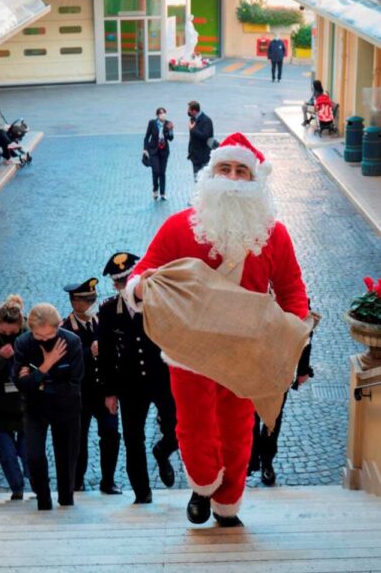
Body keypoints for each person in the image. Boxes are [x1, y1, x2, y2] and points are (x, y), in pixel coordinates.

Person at [127, 132, 309, 527]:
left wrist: (292, 334)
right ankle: (203, 485)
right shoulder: (179, 227)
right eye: (224, 168)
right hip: (190, 349)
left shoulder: (274, 235)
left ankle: (228, 502)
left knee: (238, 429)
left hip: (246, 351)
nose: (231, 176)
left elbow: (293, 289)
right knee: (194, 425)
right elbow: (143, 271)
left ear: (255, 181)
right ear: (210, 175)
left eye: (241, 170)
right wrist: (140, 288)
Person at [98, 252, 178, 505]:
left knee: (177, 429)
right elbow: (107, 354)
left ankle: (163, 451)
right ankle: (142, 493)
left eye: (129, 279)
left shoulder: (160, 303)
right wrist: (109, 391)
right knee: (133, 439)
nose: (125, 286)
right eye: (120, 282)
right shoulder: (109, 310)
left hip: (162, 378)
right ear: (115, 285)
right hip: (130, 384)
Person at [13, 303, 83, 510]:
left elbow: (74, 384)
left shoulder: (72, 342)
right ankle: (43, 500)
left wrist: (39, 383)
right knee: (34, 455)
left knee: (67, 457)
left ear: (59, 325)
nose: (44, 340)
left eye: (49, 335)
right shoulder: (23, 343)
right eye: (39, 337)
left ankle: (66, 499)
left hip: (66, 408)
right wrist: (46, 365)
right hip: (35, 408)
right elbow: (20, 384)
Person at [61, 278, 121, 495]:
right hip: (79, 395)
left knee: (111, 433)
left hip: (104, 392)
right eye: (87, 301)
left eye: (93, 299)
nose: (92, 304)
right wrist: (89, 352)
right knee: (78, 438)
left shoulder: (103, 321)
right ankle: (77, 480)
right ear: (75, 303)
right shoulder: (66, 328)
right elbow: (64, 364)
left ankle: (109, 480)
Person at [248, 324, 315, 486]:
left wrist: (302, 369)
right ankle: (251, 458)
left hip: (281, 364)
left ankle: (266, 460)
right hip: (249, 361)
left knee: (274, 415)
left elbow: (304, 326)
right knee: (250, 413)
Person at [0, 295, 29, 500]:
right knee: (7, 451)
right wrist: (0, 357)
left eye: (13, 332)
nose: (9, 335)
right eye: (4, 332)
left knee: (26, 449)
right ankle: (17, 489)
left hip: (26, 404)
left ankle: (37, 482)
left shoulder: (30, 333)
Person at [143, 107, 174, 201]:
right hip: (153, 150)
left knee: (162, 172)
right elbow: (147, 137)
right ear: (157, 115)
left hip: (164, 151)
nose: (163, 115)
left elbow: (171, 138)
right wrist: (145, 149)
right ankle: (155, 189)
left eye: (164, 113)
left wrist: (170, 130)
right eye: (161, 113)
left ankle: (163, 193)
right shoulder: (152, 123)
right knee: (156, 171)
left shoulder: (168, 123)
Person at [187, 101, 214, 182]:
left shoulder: (206, 120)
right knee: (196, 180)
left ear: (194, 111)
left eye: (189, 110)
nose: (188, 112)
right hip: (194, 156)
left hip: (203, 156)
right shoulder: (192, 119)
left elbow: (205, 136)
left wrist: (193, 129)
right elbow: (192, 138)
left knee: (204, 180)